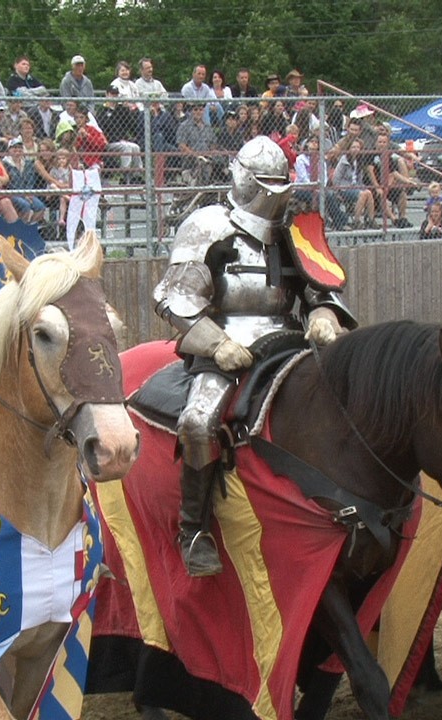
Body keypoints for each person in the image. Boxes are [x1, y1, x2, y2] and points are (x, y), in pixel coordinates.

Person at [153, 136, 356, 576]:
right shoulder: (209, 225)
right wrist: (216, 343)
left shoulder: (294, 232)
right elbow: (178, 298)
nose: (274, 193)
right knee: (198, 421)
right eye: (266, 183)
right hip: (225, 343)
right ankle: (194, 531)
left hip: (289, 342)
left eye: (280, 183)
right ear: (245, 180)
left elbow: (321, 290)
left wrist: (322, 317)